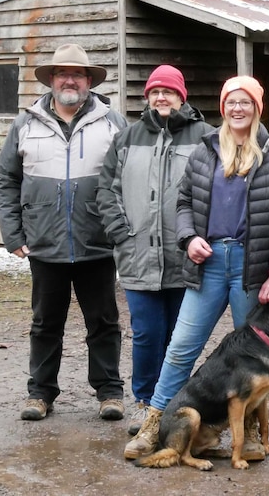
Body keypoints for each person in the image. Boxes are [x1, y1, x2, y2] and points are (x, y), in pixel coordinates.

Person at [124, 75, 269, 461]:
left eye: (246, 102)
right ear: (223, 108)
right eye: (231, 102)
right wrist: (189, 239)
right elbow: (183, 203)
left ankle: (250, 433)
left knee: (255, 354)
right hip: (209, 263)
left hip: (252, 267)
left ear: (258, 107)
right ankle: (156, 422)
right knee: (182, 346)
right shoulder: (204, 152)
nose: (238, 109)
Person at [0, 43, 128, 421]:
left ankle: (109, 393)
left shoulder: (112, 123)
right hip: (44, 242)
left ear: (89, 81)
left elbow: (129, 178)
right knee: (45, 323)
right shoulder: (26, 123)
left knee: (103, 322)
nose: (70, 79)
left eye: (78, 74)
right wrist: (13, 232)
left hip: (97, 242)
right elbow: (7, 178)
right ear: (52, 80)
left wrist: (122, 230)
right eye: (62, 73)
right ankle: (40, 394)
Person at [97, 65, 213, 435]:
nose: (161, 98)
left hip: (186, 255)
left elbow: (220, 191)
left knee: (182, 336)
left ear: (182, 96)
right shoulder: (128, 138)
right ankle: (146, 401)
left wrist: (202, 234)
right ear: (146, 97)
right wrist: (120, 232)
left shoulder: (206, 136)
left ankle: (176, 401)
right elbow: (106, 190)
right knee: (147, 334)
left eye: (169, 91)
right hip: (138, 255)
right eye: (155, 92)